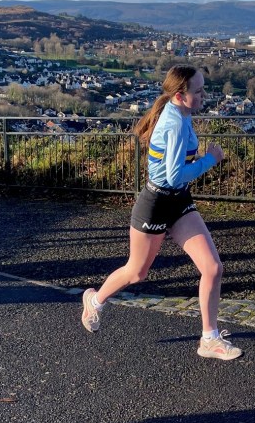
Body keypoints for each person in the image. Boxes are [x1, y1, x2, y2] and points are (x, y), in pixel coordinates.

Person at [81, 65, 242, 360]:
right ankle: (95, 300)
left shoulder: (181, 112)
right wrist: (210, 159)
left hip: (178, 202)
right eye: (198, 91)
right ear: (180, 95)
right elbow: (173, 176)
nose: (204, 95)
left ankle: (209, 339)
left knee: (212, 268)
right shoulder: (175, 123)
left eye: (203, 89)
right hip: (155, 204)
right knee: (137, 272)